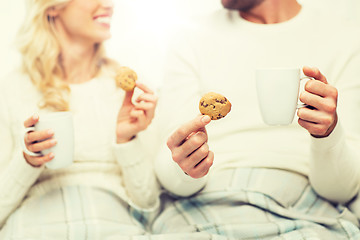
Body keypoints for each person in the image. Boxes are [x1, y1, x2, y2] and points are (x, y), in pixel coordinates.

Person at [153, 0, 360, 239]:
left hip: (303, 208)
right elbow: (169, 168)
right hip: (206, 203)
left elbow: (342, 189)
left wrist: (327, 136)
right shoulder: (189, 36)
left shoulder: (345, 38)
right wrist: (187, 169)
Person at [0, 0, 160, 239]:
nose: (108, 4)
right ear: (53, 6)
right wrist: (29, 160)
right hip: (33, 226)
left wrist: (127, 140)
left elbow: (149, 205)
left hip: (113, 225)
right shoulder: (11, 89)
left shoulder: (131, 91)